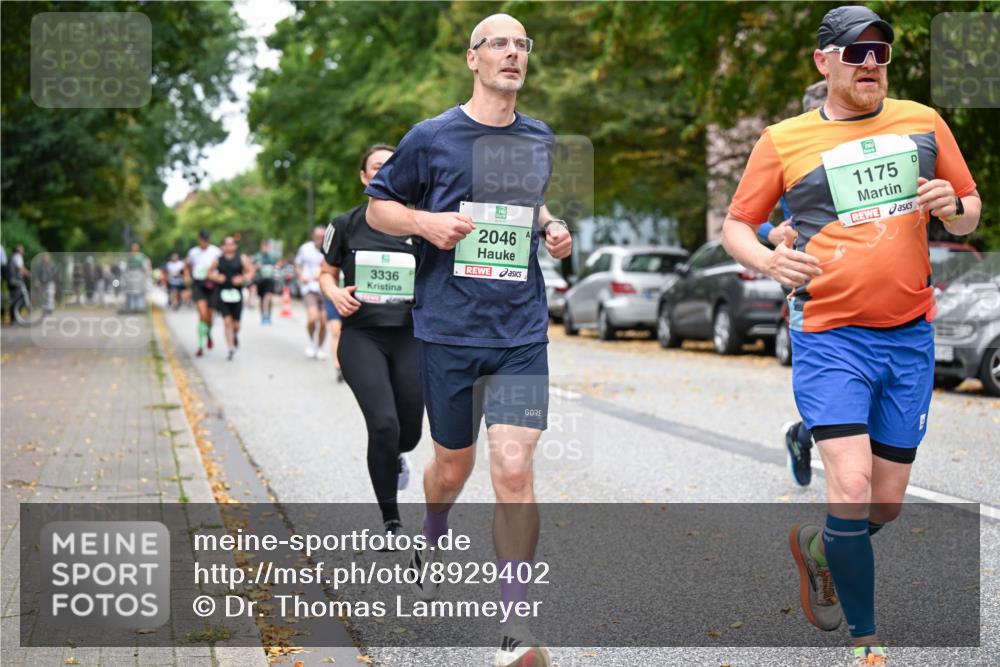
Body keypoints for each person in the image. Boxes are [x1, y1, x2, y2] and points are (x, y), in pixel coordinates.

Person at [721, 7, 980, 665]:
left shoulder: (924, 122)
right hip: (829, 332)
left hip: (908, 337)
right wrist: (768, 259)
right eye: (855, 51)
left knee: (885, 505)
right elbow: (736, 226)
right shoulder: (783, 140)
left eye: (881, 52)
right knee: (855, 481)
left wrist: (952, 204)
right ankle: (867, 642)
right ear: (824, 61)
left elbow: (971, 208)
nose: (870, 63)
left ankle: (821, 543)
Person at [365, 14, 572, 667]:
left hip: (519, 330)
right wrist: (425, 222)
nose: (513, 53)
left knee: (513, 467)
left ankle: (514, 626)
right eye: (499, 45)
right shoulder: (431, 138)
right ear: (472, 59)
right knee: (452, 467)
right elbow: (379, 206)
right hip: (449, 329)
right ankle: (432, 525)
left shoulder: (538, 138)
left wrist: (552, 225)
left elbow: (527, 203)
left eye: (521, 45)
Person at [320, 143, 422, 534]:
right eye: (376, 167)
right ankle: (391, 519)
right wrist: (334, 293)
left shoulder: (419, 225)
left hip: (412, 336)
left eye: (391, 166)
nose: (383, 172)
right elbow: (326, 272)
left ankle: (395, 456)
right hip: (362, 337)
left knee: (407, 434)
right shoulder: (346, 224)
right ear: (364, 177)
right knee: (382, 425)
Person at [208, 236, 255, 361]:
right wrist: (217, 278)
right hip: (223, 294)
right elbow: (209, 273)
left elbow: (251, 271)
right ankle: (230, 348)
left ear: (235, 246)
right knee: (227, 322)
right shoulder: (218, 260)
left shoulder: (241, 259)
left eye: (231, 244)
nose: (229, 247)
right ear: (223, 246)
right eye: (226, 244)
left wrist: (242, 279)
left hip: (237, 295)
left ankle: (234, 335)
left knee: (236, 325)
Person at [186, 230, 222, 357]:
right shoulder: (193, 252)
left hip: (212, 284)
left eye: (206, 240)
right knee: (202, 314)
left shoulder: (216, 251)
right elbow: (188, 266)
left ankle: (208, 334)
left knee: (209, 316)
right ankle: (200, 345)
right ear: (199, 239)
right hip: (199, 284)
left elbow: (221, 266)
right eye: (202, 240)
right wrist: (188, 277)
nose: (204, 242)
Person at [294, 227, 328, 359]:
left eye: (322, 236)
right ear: (313, 236)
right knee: (313, 318)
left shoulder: (330, 249)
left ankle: (320, 347)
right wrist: (301, 275)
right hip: (309, 288)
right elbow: (297, 264)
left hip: (325, 289)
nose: (319, 239)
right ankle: (311, 342)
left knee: (324, 322)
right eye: (317, 236)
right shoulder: (305, 248)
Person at [252, 240, 279, 324]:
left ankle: (268, 315)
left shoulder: (272, 257)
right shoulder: (257, 257)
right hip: (260, 280)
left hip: (270, 279)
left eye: (266, 247)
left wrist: (275, 267)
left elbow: (277, 265)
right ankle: (263, 315)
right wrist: (257, 266)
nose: (265, 248)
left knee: (268, 298)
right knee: (262, 299)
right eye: (263, 247)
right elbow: (251, 267)